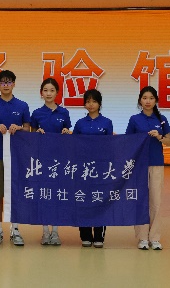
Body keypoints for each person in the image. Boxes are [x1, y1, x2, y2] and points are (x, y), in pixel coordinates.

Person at [0, 70, 31, 246]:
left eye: (9, 82)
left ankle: (15, 229)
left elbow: (28, 129)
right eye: (2, 82)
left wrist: (18, 128)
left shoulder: (22, 105)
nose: (6, 85)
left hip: (17, 157)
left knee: (15, 193)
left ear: (14, 84)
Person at [125, 86, 170, 251]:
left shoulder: (161, 119)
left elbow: (169, 141)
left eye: (151, 98)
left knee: (156, 201)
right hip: (139, 165)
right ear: (140, 100)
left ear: (156, 100)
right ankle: (142, 237)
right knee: (141, 201)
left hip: (156, 163)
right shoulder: (134, 119)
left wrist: (159, 137)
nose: (148, 101)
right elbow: (128, 142)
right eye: (144, 98)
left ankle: (155, 238)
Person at [30, 78, 71, 246]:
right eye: (45, 90)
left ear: (57, 93)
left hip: (59, 160)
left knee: (57, 195)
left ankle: (55, 232)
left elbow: (68, 133)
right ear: (41, 93)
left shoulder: (64, 113)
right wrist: (36, 133)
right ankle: (45, 232)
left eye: (52, 90)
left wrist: (66, 132)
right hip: (42, 160)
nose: (48, 93)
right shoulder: (37, 113)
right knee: (44, 195)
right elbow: (31, 135)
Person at [72, 89, 113, 249]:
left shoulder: (107, 122)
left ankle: (99, 236)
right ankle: (85, 235)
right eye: (88, 101)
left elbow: (110, 146)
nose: (91, 104)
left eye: (94, 101)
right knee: (83, 199)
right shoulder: (80, 123)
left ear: (99, 104)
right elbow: (73, 145)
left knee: (99, 200)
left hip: (101, 169)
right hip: (83, 169)